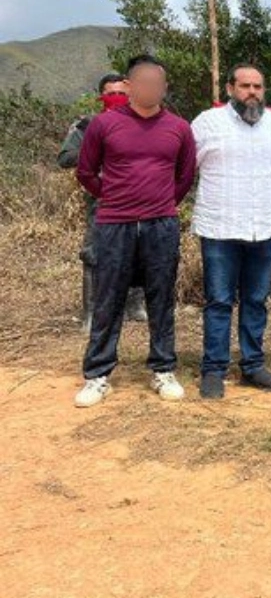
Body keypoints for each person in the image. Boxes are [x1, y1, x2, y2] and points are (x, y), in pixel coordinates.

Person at [73, 54, 196, 408]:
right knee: (108, 298)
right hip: (114, 224)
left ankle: (163, 368)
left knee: (161, 297)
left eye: (157, 83)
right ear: (128, 86)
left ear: (164, 87)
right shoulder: (104, 124)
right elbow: (86, 172)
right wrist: (113, 197)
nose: (150, 89)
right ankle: (97, 375)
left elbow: (185, 176)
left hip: (162, 224)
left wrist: (159, 203)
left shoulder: (178, 128)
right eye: (143, 82)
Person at [190, 64, 271, 399]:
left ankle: (253, 366)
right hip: (220, 227)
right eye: (245, 86)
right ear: (230, 88)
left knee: (255, 300)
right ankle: (214, 371)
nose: (252, 92)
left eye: (258, 87)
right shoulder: (207, 122)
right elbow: (181, 167)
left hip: (264, 226)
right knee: (219, 301)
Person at [57, 72, 147, 330]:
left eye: (123, 93)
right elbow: (65, 158)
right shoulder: (86, 125)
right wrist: (96, 148)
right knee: (94, 254)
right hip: (102, 200)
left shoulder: (145, 121)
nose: (118, 97)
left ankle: (134, 307)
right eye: (112, 93)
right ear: (102, 96)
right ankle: (91, 314)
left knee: (139, 250)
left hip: (140, 198)